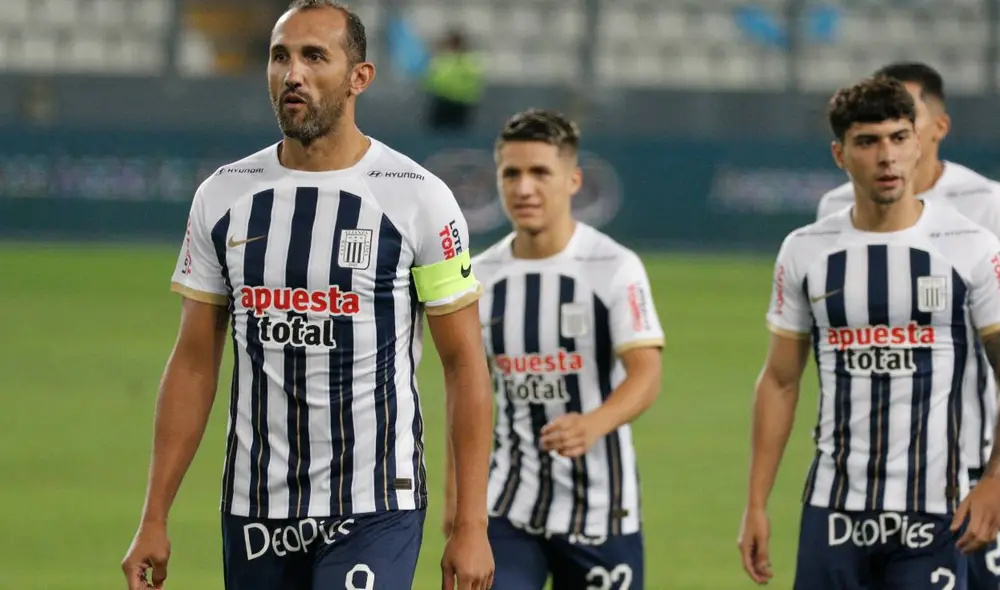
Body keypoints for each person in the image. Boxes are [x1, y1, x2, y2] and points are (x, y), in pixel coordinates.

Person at [119, 2, 495, 589]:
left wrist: (470, 524)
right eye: (280, 56)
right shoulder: (223, 197)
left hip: (374, 504)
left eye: (314, 56)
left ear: (359, 77)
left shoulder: (418, 199)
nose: (292, 73)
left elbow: (465, 364)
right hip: (254, 505)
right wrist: (154, 516)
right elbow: (193, 362)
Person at [738, 76, 1000, 589]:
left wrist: (995, 481)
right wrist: (755, 503)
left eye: (899, 138)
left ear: (919, 141)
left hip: (936, 511)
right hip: (833, 510)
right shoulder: (806, 249)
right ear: (840, 154)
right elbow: (779, 380)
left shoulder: (969, 246)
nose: (887, 157)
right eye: (868, 142)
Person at [445, 108, 664, 589]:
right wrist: (457, 501)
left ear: (573, 180)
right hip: (507, 506)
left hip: (601, 509)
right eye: (512, 173)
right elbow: (465, 391)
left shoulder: (614, 267)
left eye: (540, 172)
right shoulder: (480, 276)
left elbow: (646, 372)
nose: (524, 188)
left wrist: (593, 423)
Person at [816, 62, 1000, 589]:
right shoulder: (835, 207)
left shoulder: (985, 205)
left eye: (905, 126)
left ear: (932, 129)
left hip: (977, 449)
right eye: (872, 137)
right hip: (881, 468)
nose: (889, 148)